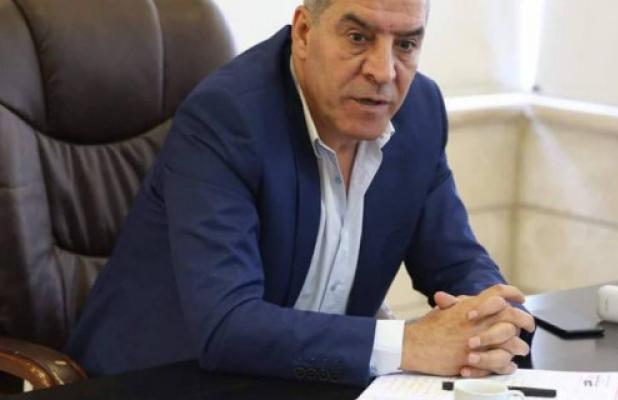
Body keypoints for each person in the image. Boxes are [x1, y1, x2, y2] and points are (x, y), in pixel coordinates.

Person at [67, 0, 535, 386]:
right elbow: (228, 327)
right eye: (358, 37)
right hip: (162, 380)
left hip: (306, 381)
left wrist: (494, 319)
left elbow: (456, 261)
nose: (383, 71)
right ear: (305, 33)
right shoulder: (226, 117)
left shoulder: (420, 112)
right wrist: (411, 343)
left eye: (406, 44)